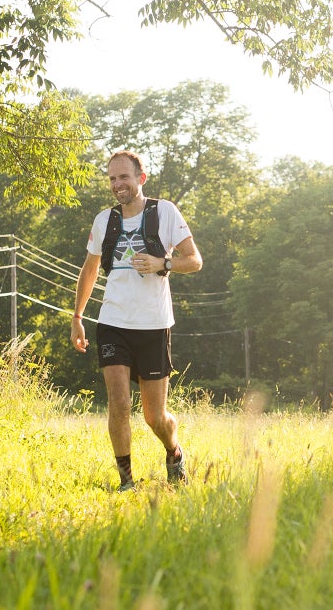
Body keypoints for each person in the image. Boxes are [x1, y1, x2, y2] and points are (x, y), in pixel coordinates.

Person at [71, 149, 203, 491]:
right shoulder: (104, 220)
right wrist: (77, 317)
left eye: (124, 177)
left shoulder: (165, 212)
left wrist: (164, 264)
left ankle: (173, 452)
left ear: (140, 178)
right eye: (112, 179)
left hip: (154, 325)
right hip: (113, 322)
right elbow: (90, 268)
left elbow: (194, 260)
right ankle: (127, 482)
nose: (118, 185)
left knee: (154, 417)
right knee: (118, 403)